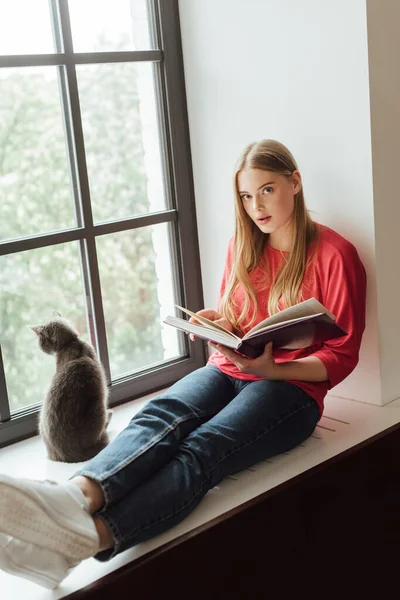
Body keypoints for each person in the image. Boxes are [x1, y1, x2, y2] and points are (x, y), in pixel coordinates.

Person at [0, 139, 366, 589]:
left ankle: (88, 539)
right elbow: (242, 321)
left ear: (295, 183)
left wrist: (275, 371)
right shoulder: (243, 247)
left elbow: (342, 355)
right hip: (229, 371)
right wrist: (220, 322)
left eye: (267, 190)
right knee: (161, 414)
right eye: (247, 196)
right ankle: (72, 498)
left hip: (293, 392)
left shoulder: (335, 254)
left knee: (204, 446)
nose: (257, 207)